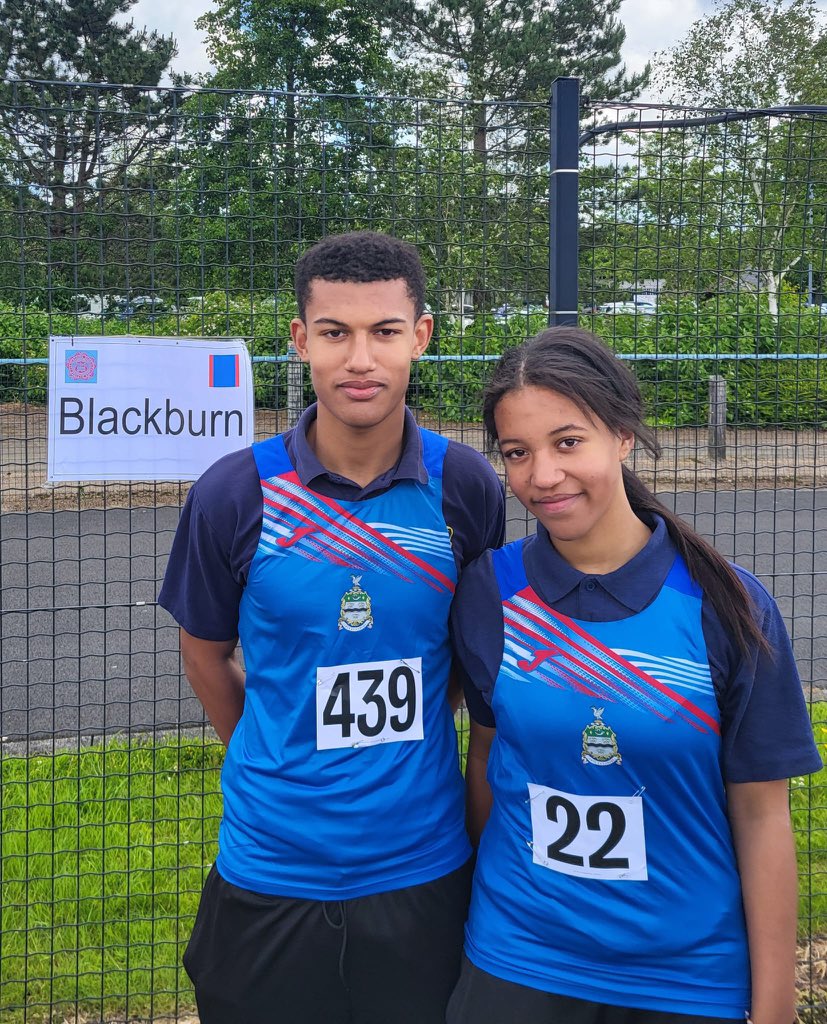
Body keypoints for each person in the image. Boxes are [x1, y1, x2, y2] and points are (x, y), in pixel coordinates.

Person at [158, 231, 505, 1024]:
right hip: (270, 867)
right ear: (299, 340)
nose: (360, 358)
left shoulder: (464, 485)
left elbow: (466, 649)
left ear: (420, 336)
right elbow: (205, 652)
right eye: (334, 332)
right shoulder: (234, 493)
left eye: (384, 332)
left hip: (422, 866)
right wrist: (271, 744)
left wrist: (419, 717)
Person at [447, 326, 821, 1024]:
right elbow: (487, 756)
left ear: (621, 434)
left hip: (683, 981)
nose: (542, 476)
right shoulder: (486, 595)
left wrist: (772, 1009)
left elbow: (762, 813)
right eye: (516, 453)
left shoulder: (726, 606)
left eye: (567, 442)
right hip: (518, 964)